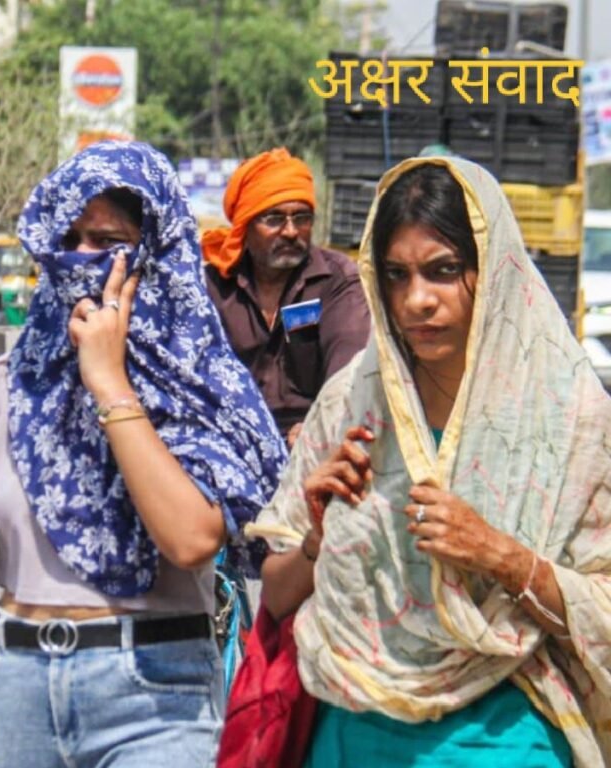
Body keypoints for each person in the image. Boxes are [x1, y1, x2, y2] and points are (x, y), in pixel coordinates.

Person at [0, 141, 287, 766]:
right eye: (69, 239)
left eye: (107, 241)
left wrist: (110, 384)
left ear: (155, 252)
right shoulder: (12, 385)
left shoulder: (199, 390)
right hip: (18, 692)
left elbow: (191, 539)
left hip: (157, 694)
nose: (80, 259)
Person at [249, 156, 611, 765]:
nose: (417, 300)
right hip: (353, 725)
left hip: (504, 736)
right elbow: (277, 599)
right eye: (397, 275)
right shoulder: (353, 403)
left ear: (492, 269)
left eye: (443, 271)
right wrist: (318, 537)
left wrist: (500, 556)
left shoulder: (568, 420)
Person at [201, 148, 370, 447]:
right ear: (245, 226)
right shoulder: (213, 286)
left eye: (302, 218)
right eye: (274, 218)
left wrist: (319, 425)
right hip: (225, 439)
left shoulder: (336, 281)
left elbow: (349, 373)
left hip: (310, 439)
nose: (291, 231)